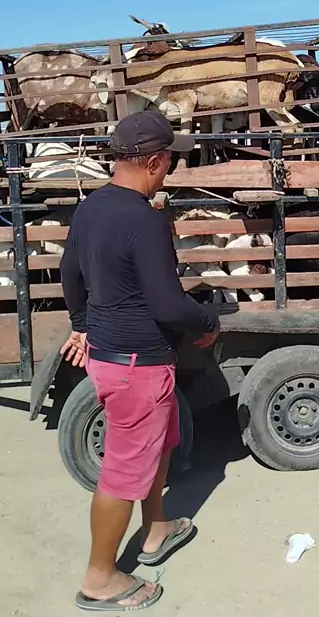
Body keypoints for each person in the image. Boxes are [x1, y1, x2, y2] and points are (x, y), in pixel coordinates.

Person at [59, 112, 221, 612]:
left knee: (160, 444)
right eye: (170, 160)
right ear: (153, 162)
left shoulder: (91, 208)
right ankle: (100, 577)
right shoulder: (145, 221)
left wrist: (82, 324)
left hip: (114, 356)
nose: (171, 168)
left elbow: (70, 273)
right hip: (139, 366)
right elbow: (169, 306)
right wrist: (208, 320)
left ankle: (156, 528)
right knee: (123, 473)